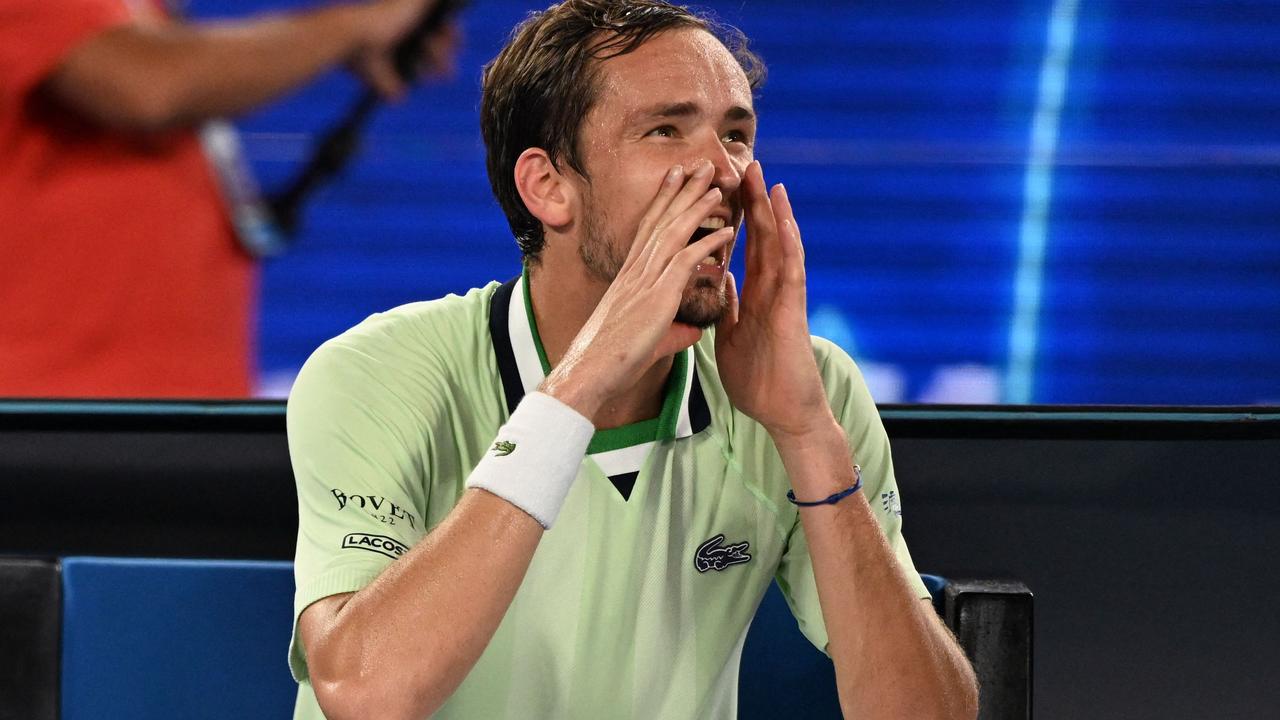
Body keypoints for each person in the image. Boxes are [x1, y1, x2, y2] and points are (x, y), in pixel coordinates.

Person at [287, 1, 979, 718]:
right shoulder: (376, 373)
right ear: (547, 186)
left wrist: (808, 437)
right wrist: (582, 384)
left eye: (736, 134)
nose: (722, 171)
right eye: (665, 131)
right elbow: (363, 692)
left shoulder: (807, 391)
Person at [0, 0, 455, 398]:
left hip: (154, 423)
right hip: (58, 421)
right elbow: (146, 85)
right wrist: (355, 28)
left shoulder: (143, 15)